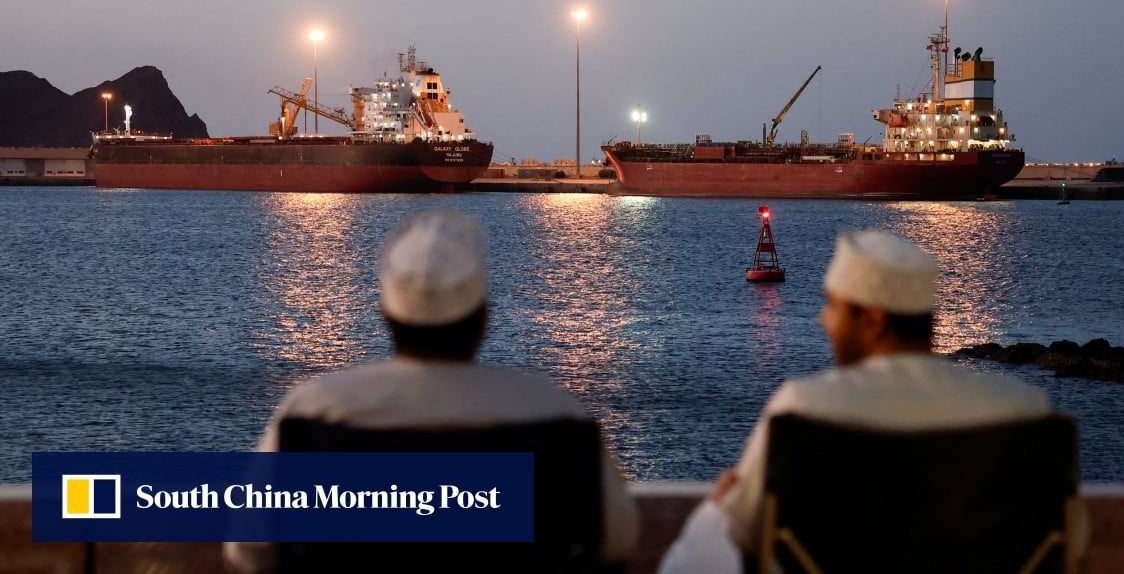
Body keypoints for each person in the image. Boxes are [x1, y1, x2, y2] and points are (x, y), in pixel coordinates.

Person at [225, 208, 639, 572]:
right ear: (482, 318)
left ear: (386, 315)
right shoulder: (556, 412)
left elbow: (248, 547)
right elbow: (618, 538)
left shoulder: (312, 410)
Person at [660, 229, 1052, 572]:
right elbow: (1058, 542)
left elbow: (744, 535)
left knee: (714, 526)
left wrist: (719, 507)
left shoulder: (803, 409)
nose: (823, 320)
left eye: (833, 306)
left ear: (873, 322)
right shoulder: (1026, 411)